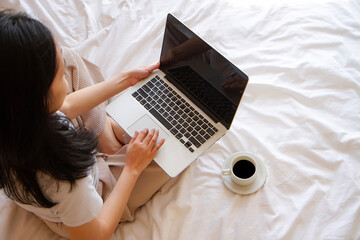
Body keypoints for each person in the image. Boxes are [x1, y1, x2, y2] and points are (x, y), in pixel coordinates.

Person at [0, 10, 169, 240]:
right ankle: (111, 150)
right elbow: (95, 235)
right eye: (58, 76)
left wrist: (123, 79)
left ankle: (107, 140)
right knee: (166, 148)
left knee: (68, 58)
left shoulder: (14, 115)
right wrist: (132, 168)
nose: (64, 79)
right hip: (90, 206)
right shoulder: (63, 177)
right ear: (39, 98)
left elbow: (66, 106)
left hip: (58, 170)